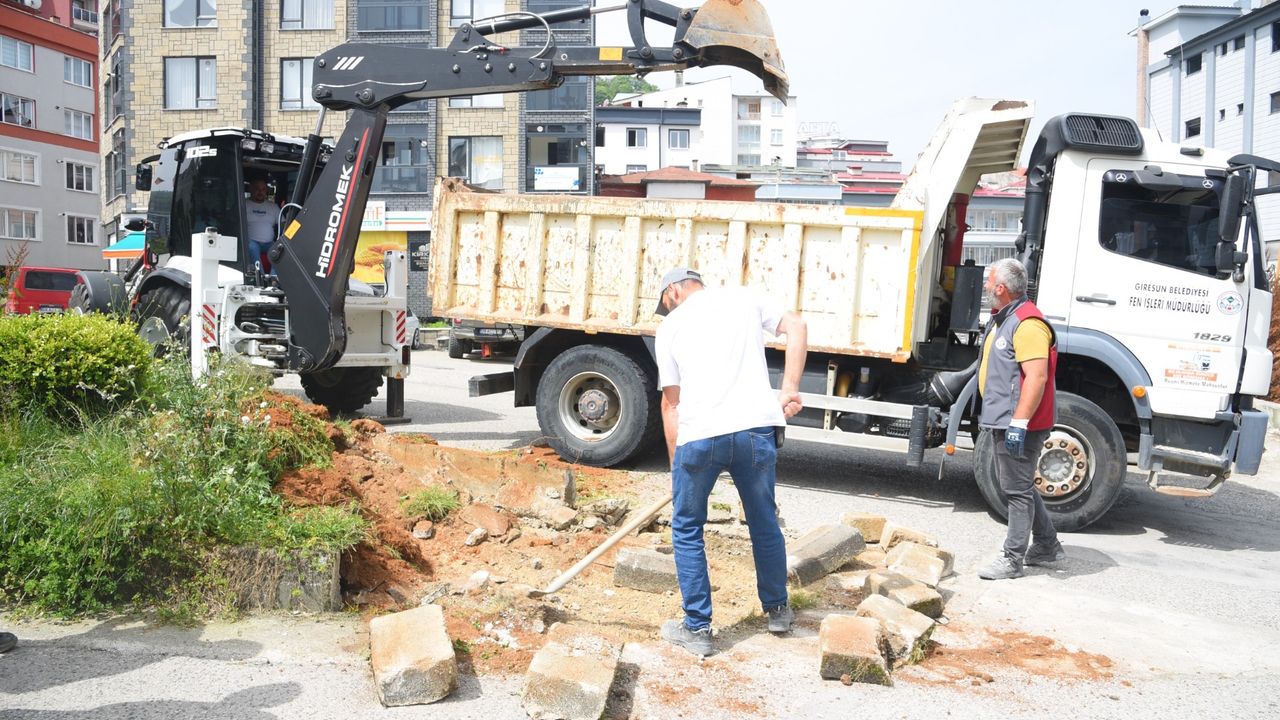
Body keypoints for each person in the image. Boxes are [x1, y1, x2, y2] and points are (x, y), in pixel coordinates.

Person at [653, 267, 808, 656]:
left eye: (665, 302)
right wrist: (789, 388)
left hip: (699, 436)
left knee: (687, 528)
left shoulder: (670, 327)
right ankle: (777, 611)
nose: (666, 308)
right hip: (755, 430)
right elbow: (797, 325)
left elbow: (671, 404)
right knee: (764, 521)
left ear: (672, 291)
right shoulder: (743, 297)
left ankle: (698, 629)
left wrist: (677, 469)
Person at [976, 257, 1066, 580]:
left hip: (1018, 423)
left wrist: (1018, 422)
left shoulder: (1027, 324)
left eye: (989, 282)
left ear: (1001, 288)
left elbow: (1037, 377)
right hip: (1006, 417)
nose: (985, 287)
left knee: (1015, 491)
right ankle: (1046, 545)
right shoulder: (1007, 317)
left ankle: (1012, 559)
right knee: (1021, 486)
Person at [245, 179, 278, 273]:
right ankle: (260, 278)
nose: (260, 192)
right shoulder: (244, 204)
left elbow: (283, 223)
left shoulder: (273, 206)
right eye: (257, 189)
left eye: (263, 189)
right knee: (252, 248)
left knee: (280, 251)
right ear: (251, 189)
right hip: (251, 242)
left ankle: (273, 278)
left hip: (269, 243)